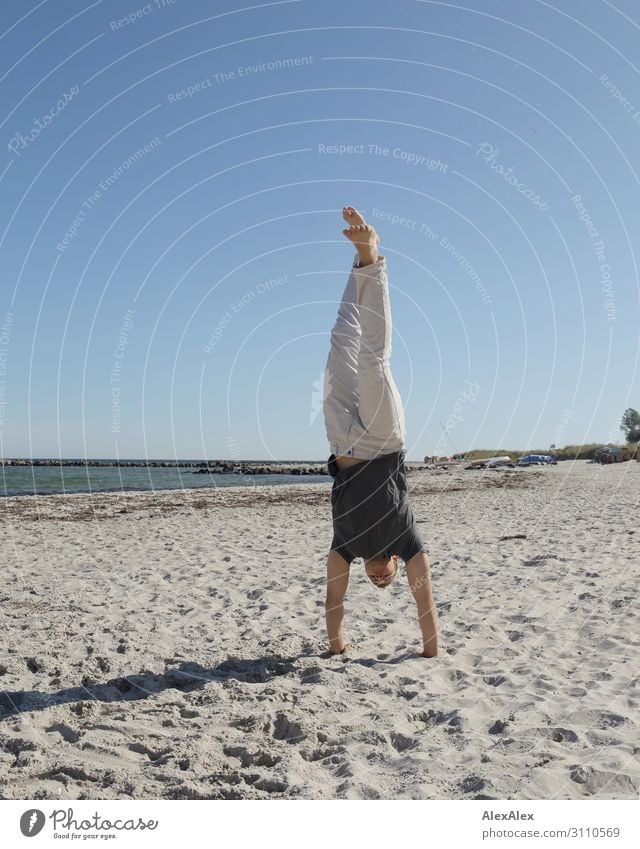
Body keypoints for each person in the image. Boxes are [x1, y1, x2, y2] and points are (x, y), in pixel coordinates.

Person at [323, 206, 439, 658]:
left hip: (342, 443)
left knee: (339, 340)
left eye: (374, 581)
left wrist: (338, 646)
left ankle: (356, 265)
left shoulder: (344, 547)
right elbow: (425, 602)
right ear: (395, 565)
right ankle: (372, 259)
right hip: (384, 440)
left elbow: (334, 599)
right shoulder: (406, 540)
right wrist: (431, 651)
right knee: (373, 359)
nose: (378, 578)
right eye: (386, 577)